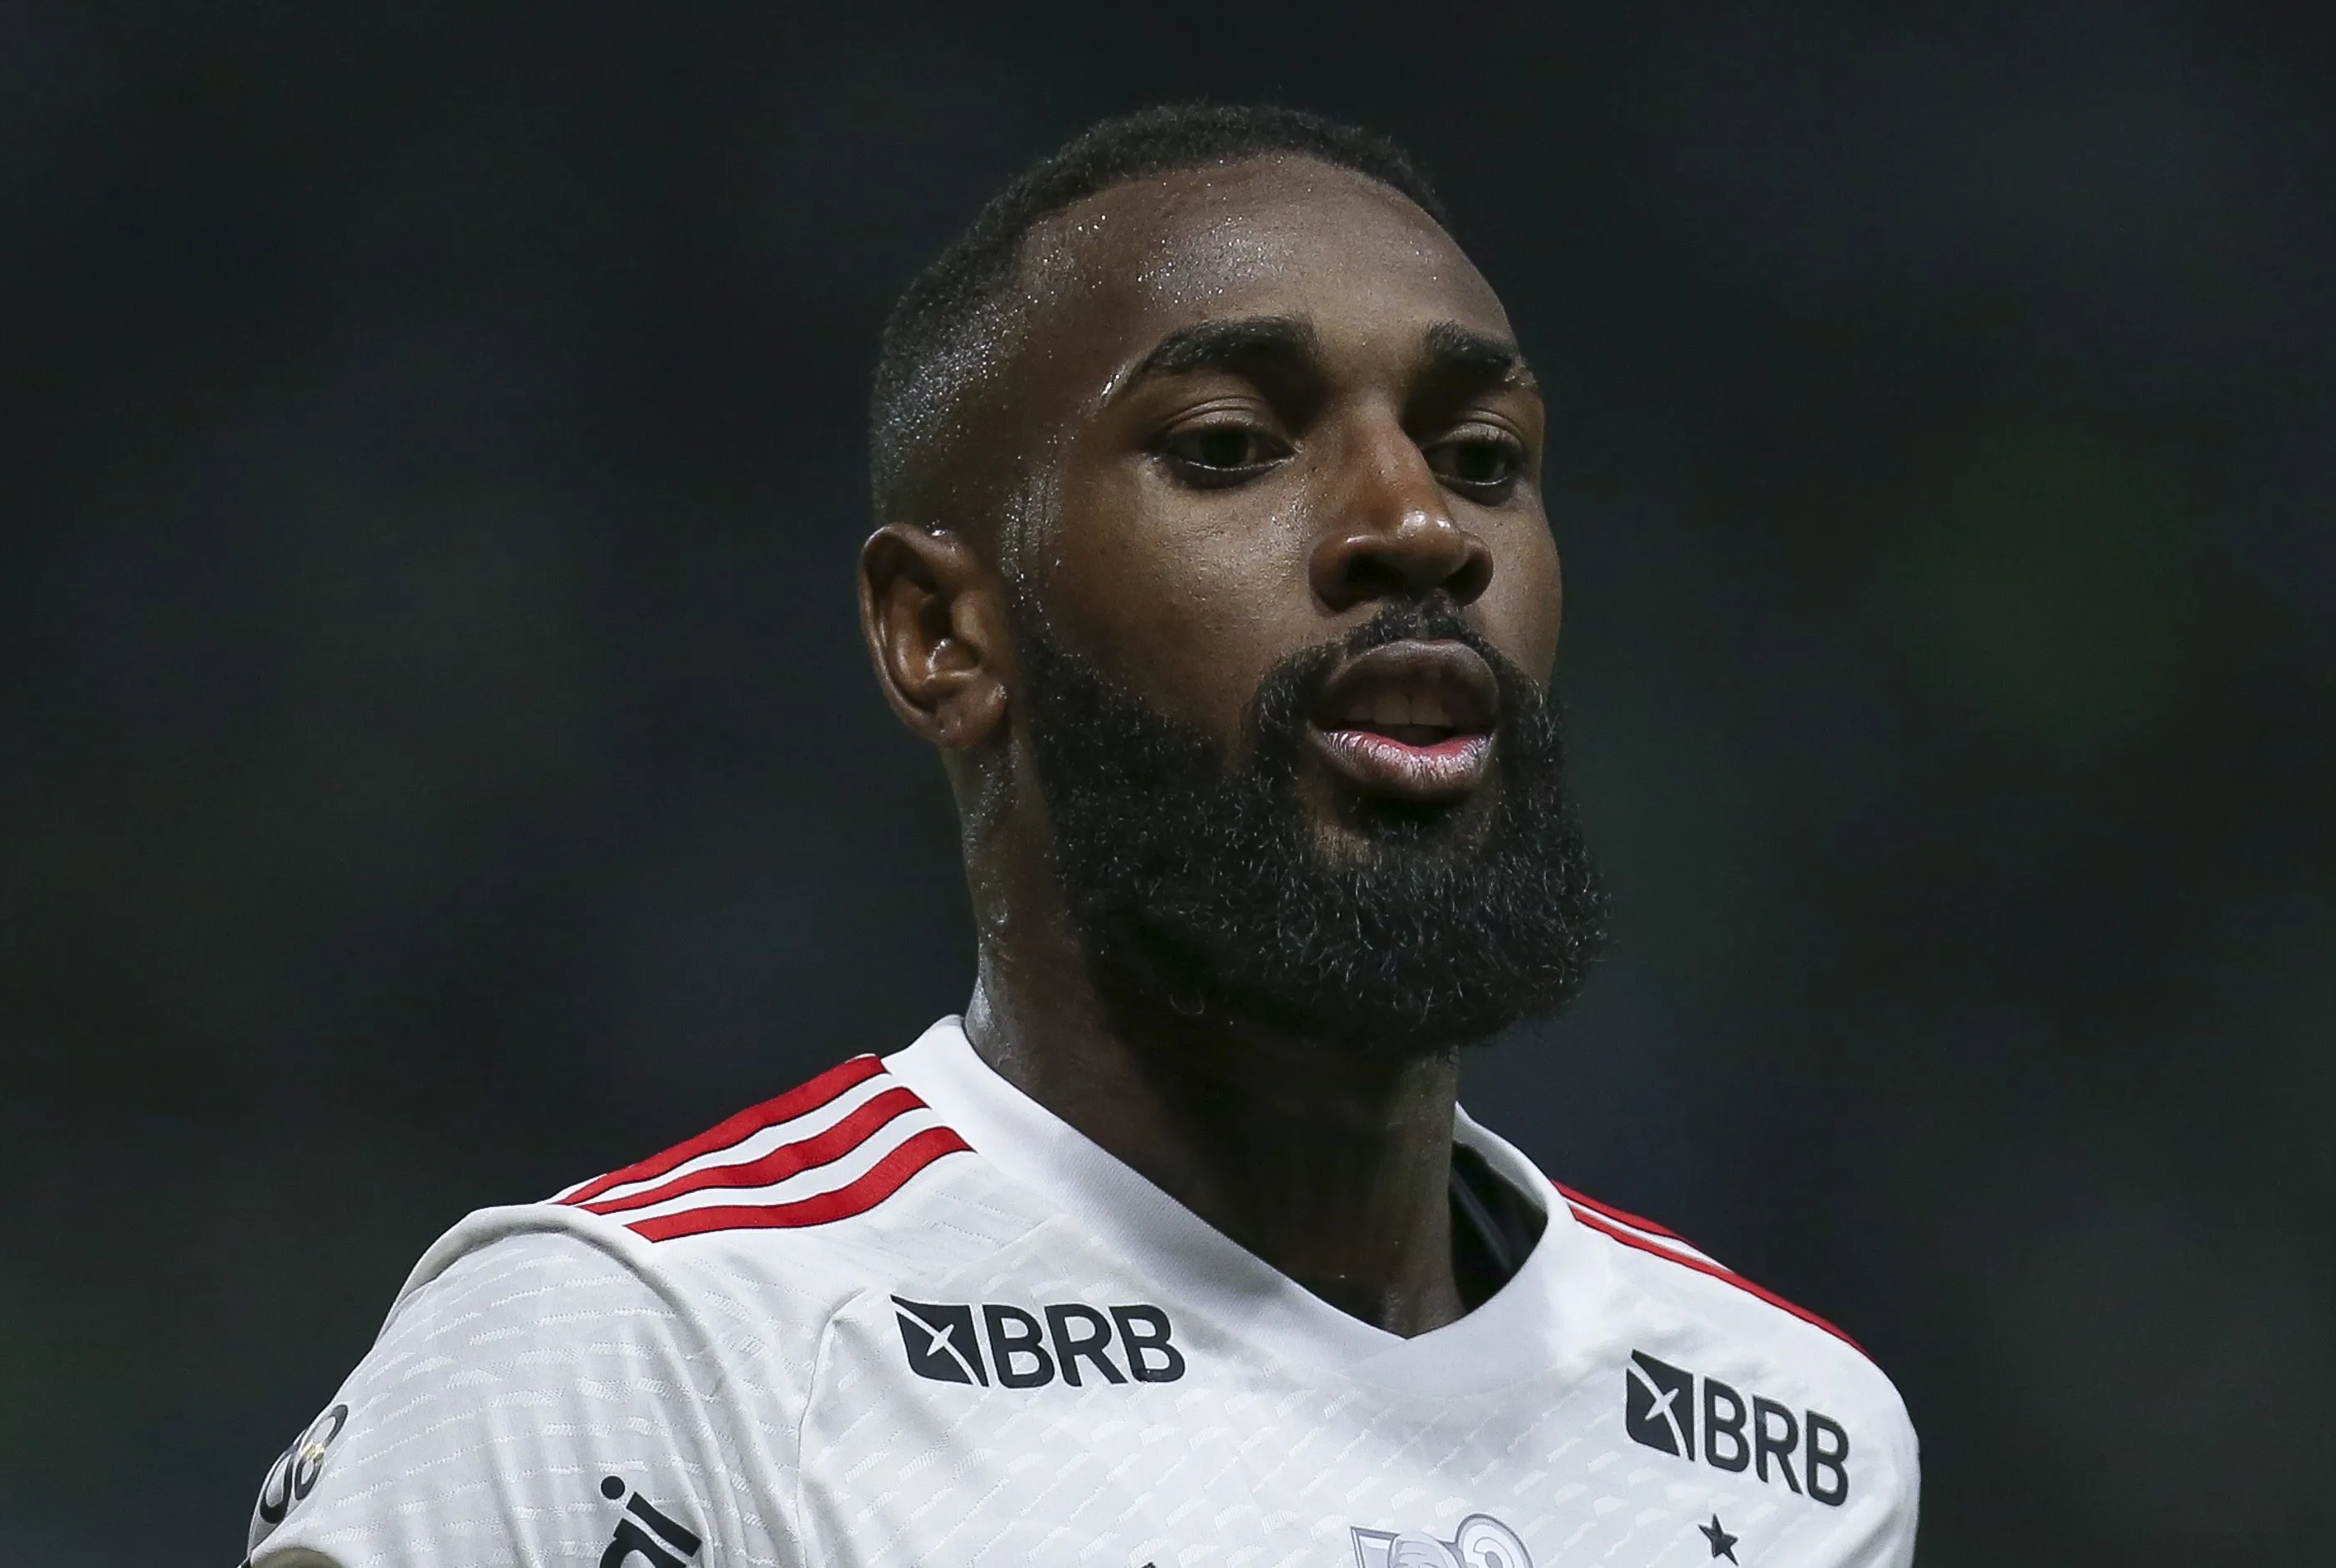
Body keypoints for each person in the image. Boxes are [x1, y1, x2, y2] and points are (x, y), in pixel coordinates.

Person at [241, 103, 1918, 1568]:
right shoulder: (655, 1359)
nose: (1417, 527)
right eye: (1228, 449)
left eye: (1482, 459)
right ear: (943, 637)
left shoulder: (1788, 1441)